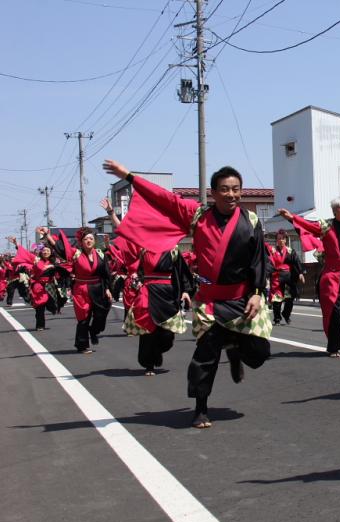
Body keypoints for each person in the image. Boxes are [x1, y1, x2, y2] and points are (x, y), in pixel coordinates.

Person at [103, 159, 272, 429]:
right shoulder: (198, 216)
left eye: (236, 189)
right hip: (211, 303)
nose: (232, 195)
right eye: (225, 189)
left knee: (260, 353)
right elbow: (163, 198)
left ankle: (237, 347)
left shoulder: (250, 220)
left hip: (243, 298)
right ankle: (200, 409)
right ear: (213, 192)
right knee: (205, 357)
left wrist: (256, 293)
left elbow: (259, 259)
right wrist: (129, 176)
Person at [103, 201, 195, 375]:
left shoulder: (173, 250)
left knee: (167, 335)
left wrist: (185, 291)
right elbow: (126, 230)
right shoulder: (143, 247)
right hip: (148, 291)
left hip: (168, 293)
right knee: (149, 329)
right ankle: (149, 364)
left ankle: (158, 351)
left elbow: (183, 273)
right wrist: (111, 213)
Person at [278, 197, 340, 357]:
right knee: (333, 311)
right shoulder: (326, 225)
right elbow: (308, 226)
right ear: (335, 211)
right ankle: (334, 347)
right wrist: (292, 218)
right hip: (330, 274)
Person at [43, 226, 113, 353]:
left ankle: (93, 331)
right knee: (84, 318)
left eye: (91, 238)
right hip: (81, 289)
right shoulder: (76, 253)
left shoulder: (100, 253)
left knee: (101, 315)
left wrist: (107, 288)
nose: (89, 241)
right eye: (86, 239)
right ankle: (82, 345)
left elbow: (106, 273)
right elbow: (62, 249)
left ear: (94, 241)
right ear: (81, 241)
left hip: (98, 288)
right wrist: (48, 235)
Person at [8, 235, 67, 330]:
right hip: (38, 286)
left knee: (51, 305)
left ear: (51, 252)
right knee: (40, 307)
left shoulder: (55, 261)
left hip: (50, 286)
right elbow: (25, 253)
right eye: (44, 250)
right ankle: (40, 325)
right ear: (41, 252)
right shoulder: (36, 259)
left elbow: (63, 269)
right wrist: (16, 243)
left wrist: (52, 267)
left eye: (48, 250)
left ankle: (51, 308)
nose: (46, 252)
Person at [266, 229, 305, 325]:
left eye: (283, 238)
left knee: (290, 297)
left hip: (288, 276)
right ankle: (277, 319)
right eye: (279, 239)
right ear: (276, 240)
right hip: (277, 277)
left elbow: (296, 262)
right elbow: (263, 246)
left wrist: (300, 273)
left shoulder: (290, 251)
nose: (281, 240)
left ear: (286, 240)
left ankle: (286, 314)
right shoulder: (273, 250)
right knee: (277, 299)